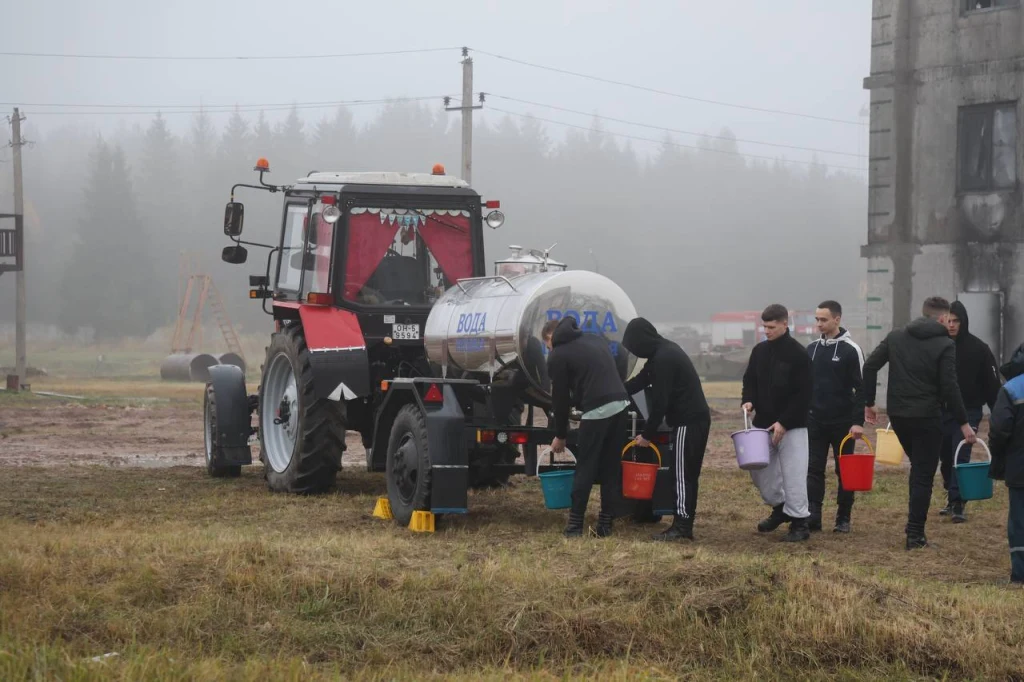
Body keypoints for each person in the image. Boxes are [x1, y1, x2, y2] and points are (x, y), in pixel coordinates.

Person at [862, 296, 976, 550]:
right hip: (927, 417)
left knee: (918, 467)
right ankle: (915, 535)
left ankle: (913, 522)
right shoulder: (945, 344)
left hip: (899, 415)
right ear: (942, 318)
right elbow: (949, 387)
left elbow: (869, 366)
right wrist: (963, 422)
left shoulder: (896, 337)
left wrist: (869, 401)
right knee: (924, 473)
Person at [621, 317, 712, 541]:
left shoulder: (664, 358)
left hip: (688, 422)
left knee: (682, 476)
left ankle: (682, 527)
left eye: (634, 347)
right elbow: (640, 381)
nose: (635, 352)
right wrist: (614, 391)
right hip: (691, 421)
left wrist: (647, 434)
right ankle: (683, 523)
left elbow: (660, 402)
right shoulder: (661, 353)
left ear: (642, 340)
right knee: (685, 474)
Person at [544, 317, 630, 538]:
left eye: (547, 345)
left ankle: (574, 526)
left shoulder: (558, 355)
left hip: (598, 409)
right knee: (611, 467)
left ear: (551, 338)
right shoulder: (594, 339)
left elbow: (560, 400)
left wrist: (560, 435)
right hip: (621, 404)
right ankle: (605, 524)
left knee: (586, 467)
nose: (548, 350)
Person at [741, 304, 814, 542]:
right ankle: (781, 507)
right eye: (764, 326)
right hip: (761, 424)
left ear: (785, 324)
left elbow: (804, 395)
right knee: (758, 469)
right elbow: (749, 379)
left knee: (794, 474)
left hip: (793, 427)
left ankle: (800, 523)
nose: (767, 331)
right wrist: (748, 400)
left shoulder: (799, 355)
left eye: (771, 327)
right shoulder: (759, 352)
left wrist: (784, 422)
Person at [805, 300, 865, 534]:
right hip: (815, 421)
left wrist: (857, 422)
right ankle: (813, 515)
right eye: (817, 319)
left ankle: (843, 517)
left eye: (824, 319)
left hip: (843, 423)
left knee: (845, 470)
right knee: (813, 468)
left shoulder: (852, 350)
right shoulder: (811, 350)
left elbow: (861, 389)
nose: (819, 324)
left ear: (837, 319)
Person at [938, 300, 1001, 523]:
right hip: (942, 411)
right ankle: (951, 493)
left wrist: (998, 414)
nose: (952, 325)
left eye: (956, 321)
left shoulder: (979, 349)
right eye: (949, 320)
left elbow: (992, 385)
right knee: (946, 457)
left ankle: (958, 502)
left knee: (961, 454)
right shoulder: (939, 345)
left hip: (970, 410)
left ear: (963, 322)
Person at [988, 342, 1024, 586]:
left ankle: (1020, 575)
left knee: (1019, 519)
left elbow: (1000, 430)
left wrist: (998, 455)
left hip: (1020, 466)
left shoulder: (1012, 389)